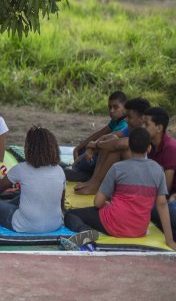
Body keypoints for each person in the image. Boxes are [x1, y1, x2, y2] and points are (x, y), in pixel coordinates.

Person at [64, 127, 176, 250]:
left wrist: (107, 204)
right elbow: (162, 205)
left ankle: (86, 232)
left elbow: (98, 202)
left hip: (112, 224)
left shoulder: (117, 168)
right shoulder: (158, 169)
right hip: (139, 230)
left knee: (71, 215)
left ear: (129, 146)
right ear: (149, 148)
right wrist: (170, 241)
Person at [0, 127, 66, 233]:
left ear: (30, 149)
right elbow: (61, 203)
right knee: (23, 196)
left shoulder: (21, 168)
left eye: (26, 145)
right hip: (55, 224)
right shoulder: (60, 170)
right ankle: (8, 206)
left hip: (25, 226)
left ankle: (5, 206)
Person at [72, 97, 149, 194]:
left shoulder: (145, 131)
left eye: (129, 117)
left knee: (117, 147)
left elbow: (123, 143)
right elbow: (107, 136)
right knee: (111, 139)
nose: (126, 119)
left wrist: (97, 145)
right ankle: (94, 181)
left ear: (141, 119)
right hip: (129, 169)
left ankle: (97, 184)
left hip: (140, 177)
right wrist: (91, 148)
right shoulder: (131, 129)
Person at [69, 91, 128, 182]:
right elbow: (99, 134)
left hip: (109, 158)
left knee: (83, 162)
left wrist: (79, 159)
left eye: (115, 107)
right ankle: (85, 173)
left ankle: (90, 177)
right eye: (109, 107)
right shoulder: (116, 121)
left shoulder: (125, 124)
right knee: (82, 151)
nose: (111, 111)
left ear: (125, 108)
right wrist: (79, 147)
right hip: (100, 151)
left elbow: (107, 142)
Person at [144, 107, 176, 235]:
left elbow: (165, 189)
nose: (142, 127)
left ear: (159, 128)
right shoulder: (152, 146)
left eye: (146, 124)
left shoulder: (170, 148)